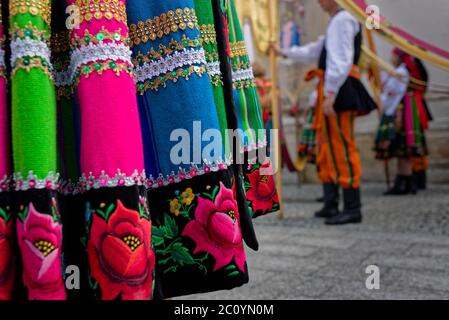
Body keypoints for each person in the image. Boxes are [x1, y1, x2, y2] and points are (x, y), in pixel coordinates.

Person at [273, 0, 377, 225]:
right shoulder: (336, 21)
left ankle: (352, 206)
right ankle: (332, 202)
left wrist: (330, 93)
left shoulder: (343, 20)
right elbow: (315, 51)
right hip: (334, 88)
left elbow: (340, 61)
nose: (318, 2)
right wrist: (283, 51)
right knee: (328, 147)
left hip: (339, 88)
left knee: (341, 146)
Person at [375, 48, 430, 195]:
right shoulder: (398, 71)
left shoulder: (401, 72)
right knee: (400, 150)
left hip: (400, 112)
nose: (391, 57)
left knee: (402, 149)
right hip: (399, 110)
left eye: (393, 55)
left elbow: (393, 91)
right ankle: (404, 181)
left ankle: (406, 181)